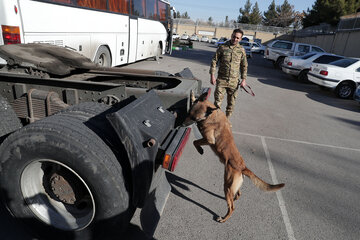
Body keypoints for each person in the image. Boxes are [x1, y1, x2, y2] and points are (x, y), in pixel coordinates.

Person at [210, 29, 248, 118]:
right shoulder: (222, 47)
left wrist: (244, 80)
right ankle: (217, 120)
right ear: (231, 35)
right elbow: (214, 61)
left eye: (238, 38)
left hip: (234, 82)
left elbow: (244, 65)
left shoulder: (241, 50)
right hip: (221, 80)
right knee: (217, 103)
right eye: (234, 37)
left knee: (231, 104)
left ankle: (226, 121)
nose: (235, 39)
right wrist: (212, 75)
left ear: (241, 39)